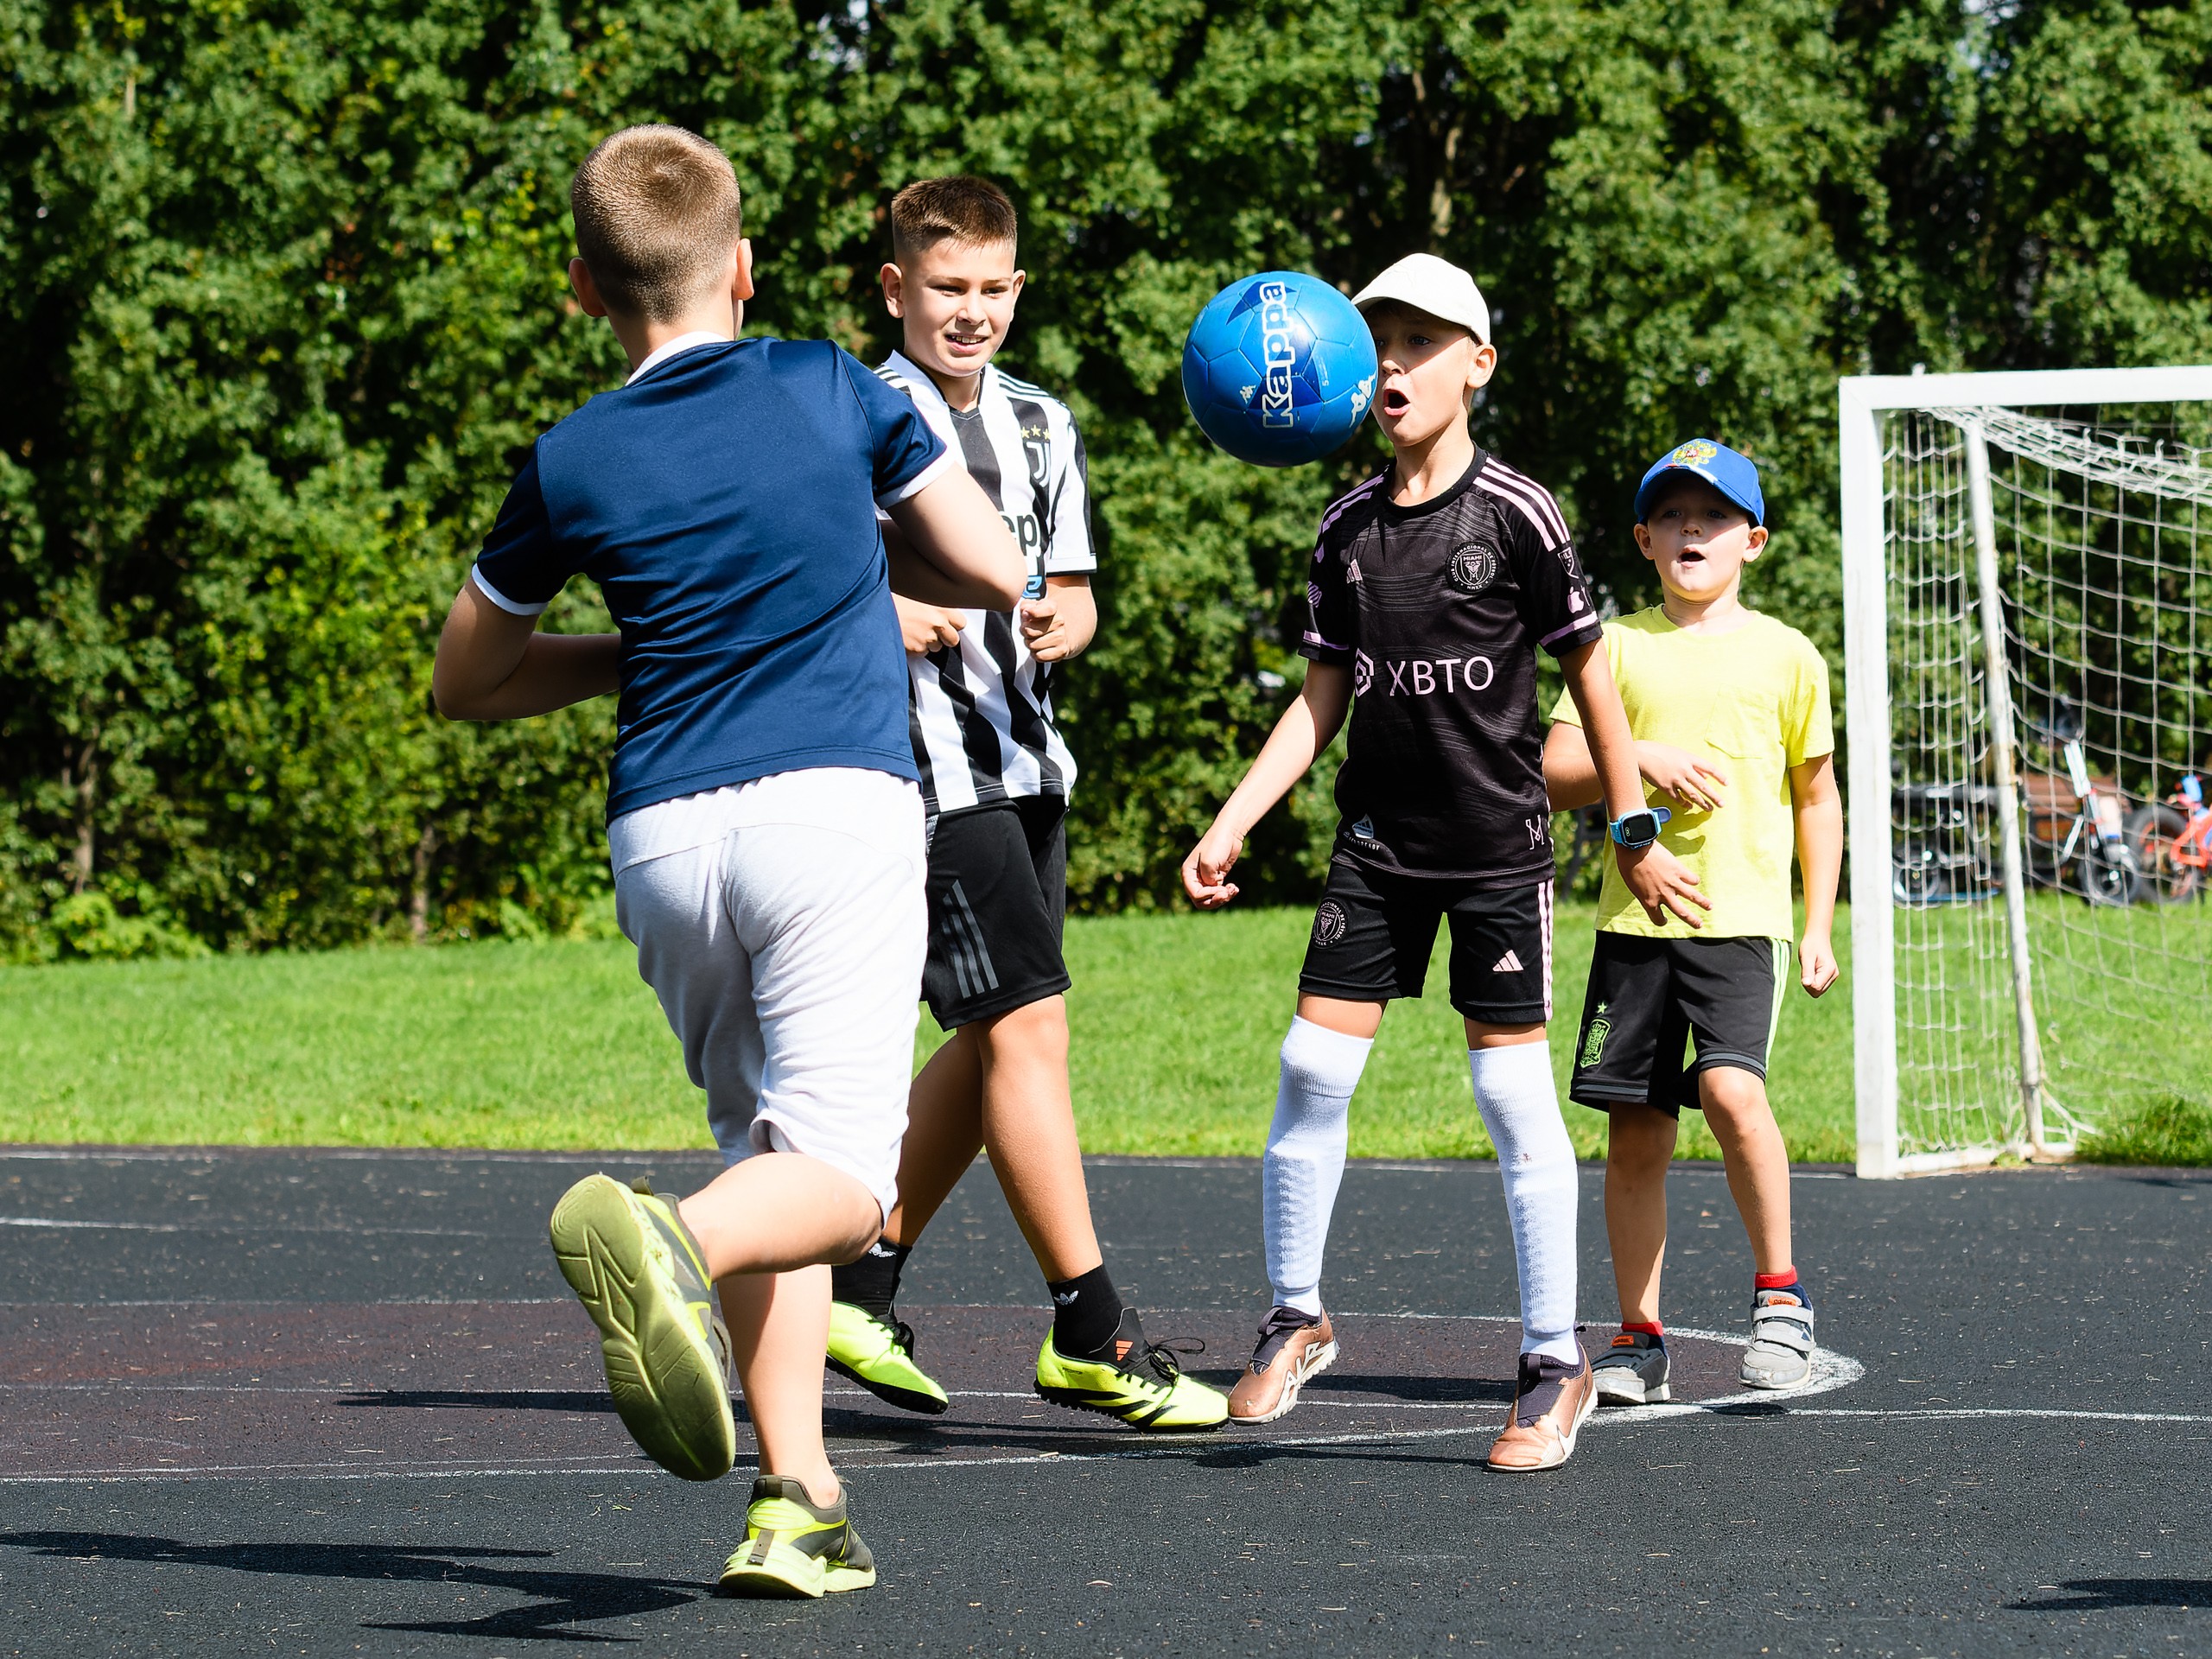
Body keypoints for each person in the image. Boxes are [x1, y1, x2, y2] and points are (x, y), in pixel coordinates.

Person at [430, 125, 1024, 1597]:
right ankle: (672, 1243)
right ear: (743, 267)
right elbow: (991, 564)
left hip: (666, 840)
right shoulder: (831, 385)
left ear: (586, 287)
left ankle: (798, 1502)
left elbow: (468, 680)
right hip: (830, 809)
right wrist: (864, 564)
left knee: (776, 1149)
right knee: (844, 1179)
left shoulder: (570, 456)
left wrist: (635, 650)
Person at [1182, 252, 1706, 1471]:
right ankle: (1296, 1318)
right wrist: (1235, 817)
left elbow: (1594, 683)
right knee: (1310, 1063)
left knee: (1512, 1098)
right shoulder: (1346, 527)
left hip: (1492, 852)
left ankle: (1553, 1362)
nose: (1393, 366)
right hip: (1376, 847)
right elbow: (1321, 698)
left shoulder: (1518, 512)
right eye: (1380, 344)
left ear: (1476, 364)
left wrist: (1630, 827)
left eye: (1420, 344)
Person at [824, 175, 1226, 1433]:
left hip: (1028, 766)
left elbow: (1076, 586)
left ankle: (857, 1286)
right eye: (948, 287)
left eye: (994, 288)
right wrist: (887, 611)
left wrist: (1073, 619)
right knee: (1027, 1031)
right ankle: (1091, 1330)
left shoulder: (1044, 425)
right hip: (921, 774)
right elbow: (807, 582)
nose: (973, 310)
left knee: (992, 1039)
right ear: (896, 288)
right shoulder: (851, 413)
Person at [1543, 438, 1841, 1404]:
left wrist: (1818, 925)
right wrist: (1641, 755)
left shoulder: (1788, 655)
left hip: (1740, 921)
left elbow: (1817, 799)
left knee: (1729, 1092)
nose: (1691, 531)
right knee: (1636, 1135)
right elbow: (1552, 771)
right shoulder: (1613, 649)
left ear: (1752, 540)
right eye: (1671, 516)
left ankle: (1782, 1299)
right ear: (1643, 539)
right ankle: (1639, 1339)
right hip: (1633, 927)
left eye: (1713, 516)